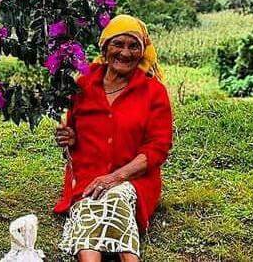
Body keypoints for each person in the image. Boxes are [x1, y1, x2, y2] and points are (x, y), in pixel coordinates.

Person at [54, 15, 173, 261]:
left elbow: (158, 148)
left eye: (133, 46)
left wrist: (116, 177)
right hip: (88, 174)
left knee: (116, 197)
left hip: (135, 180)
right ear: (105, 47)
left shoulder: (153, 92)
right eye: (118, 44)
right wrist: (70, 138)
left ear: (142, 51)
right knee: (89, 203)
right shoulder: (83, 86)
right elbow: (74, 134)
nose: (125, 53)